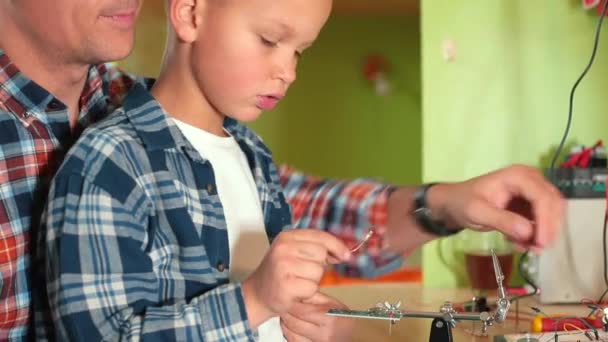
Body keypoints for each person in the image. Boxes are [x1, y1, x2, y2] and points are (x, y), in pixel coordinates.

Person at [0, 0, 564, 340]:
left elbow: (304, 222)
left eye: (300, 52)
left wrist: (445, 204)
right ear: (191, 13)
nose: (287, 73)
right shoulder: (108, 157)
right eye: (270, 41)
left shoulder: (240, 149)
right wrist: (253, 302)